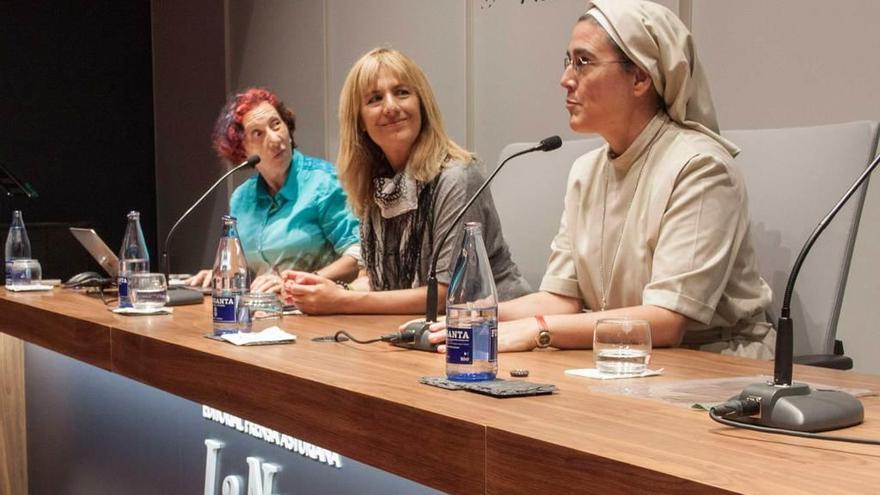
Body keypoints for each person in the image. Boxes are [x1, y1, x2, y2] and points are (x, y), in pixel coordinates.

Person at [430, 0, 774, 358]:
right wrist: (469, 317)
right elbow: (561, 299)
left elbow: (667, 321)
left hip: (713, 366)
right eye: (568, 62)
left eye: (583, 62)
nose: (565, 80)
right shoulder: (585, 171)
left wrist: (537, 330)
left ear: (640, 76)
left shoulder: (701, 167)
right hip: (620, 358)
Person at [280, 48, 530, 314]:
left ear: (421, 103)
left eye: (402, 92)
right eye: (375, 99)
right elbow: (373, 282)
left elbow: (447, 295)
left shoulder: (457, 177)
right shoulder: (376, 185)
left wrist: (341, 301)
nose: (391, 107)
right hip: (421, 332)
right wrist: (326, 289)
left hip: (493, 333)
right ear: (360, 121)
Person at [185, 88, 361, 293]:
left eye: (276, 124)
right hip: (263, 311)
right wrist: (222, 275)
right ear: (242, 150)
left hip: (317, 311)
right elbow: (247, 269)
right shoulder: (241, 199)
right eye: (258, 133)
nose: (275, 139)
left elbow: (358, 257)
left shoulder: (324, 183)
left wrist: (299, 282)